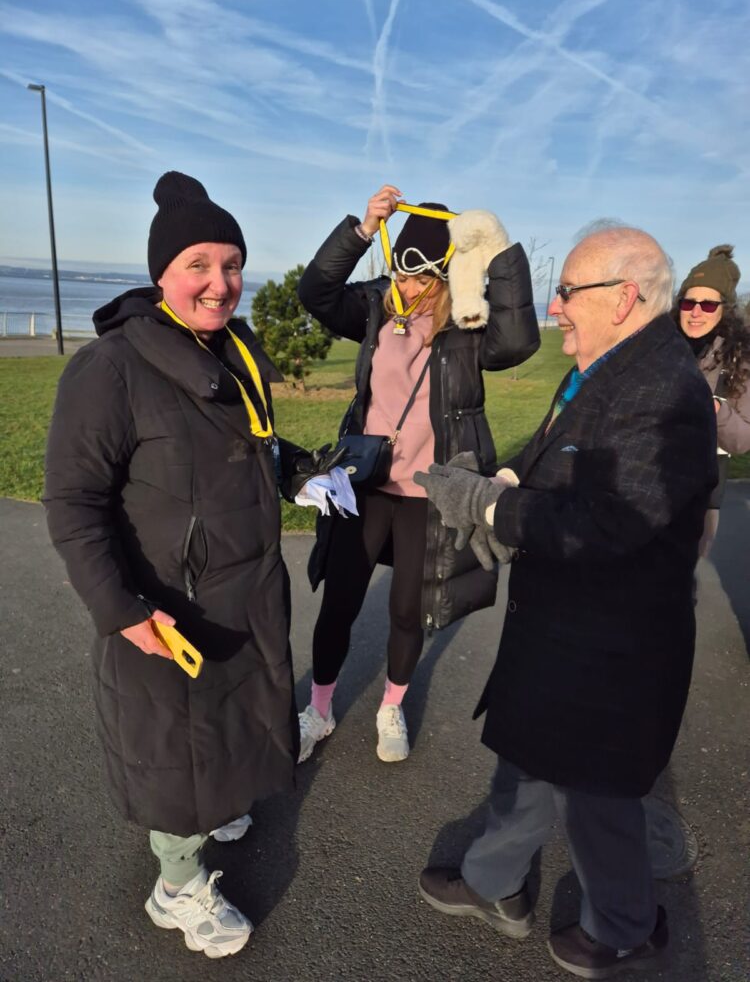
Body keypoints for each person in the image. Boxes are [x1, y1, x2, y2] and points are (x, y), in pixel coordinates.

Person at [43, 172, 340, 959]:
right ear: (162, 274)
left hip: (246, 592)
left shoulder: (233, 350)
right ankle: (176, 888)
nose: (221, 283)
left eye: (233, 263)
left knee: (232, 724)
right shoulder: (110, 369)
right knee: (176, 750)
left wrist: (302, 472)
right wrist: (122, 610)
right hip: (164, 610)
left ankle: (217, 808)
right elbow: (73, 503)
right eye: (200, 264)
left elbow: (257, 445)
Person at [414, 226, 717, 978]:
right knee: (528, 761)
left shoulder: (667, 391)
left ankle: (625, 927)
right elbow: (557, 452)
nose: (553, 308)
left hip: (612, 646)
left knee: (596, 795)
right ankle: (494, 884)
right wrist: (511, 480)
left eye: (567, 292)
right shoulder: (603, 366)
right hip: (563, 629)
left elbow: (614, 521)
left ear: (623, 297)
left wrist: (488, 510)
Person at [295, 185, 540, 764]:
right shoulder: (375, 306)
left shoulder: (467, 325)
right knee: (341, 601)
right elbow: (315, 292)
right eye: (403, 274)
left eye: (425, 277)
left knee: (410, 608)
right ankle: (320, 709)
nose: (410, 288)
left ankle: (390, 706)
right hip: (366, 482)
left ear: (446, 274)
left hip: (429, 490)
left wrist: (499, 251)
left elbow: (520, 339)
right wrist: (360, 230)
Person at [672, 244, 750, 558]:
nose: (695, 311)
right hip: (642, 481)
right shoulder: (661, 344)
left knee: (675, 584)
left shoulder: (740, 361)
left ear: (725, 309)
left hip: (699, 492)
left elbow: (743, 438)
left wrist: (713, 406)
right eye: (688, 302)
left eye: (707, 304)